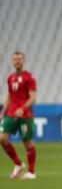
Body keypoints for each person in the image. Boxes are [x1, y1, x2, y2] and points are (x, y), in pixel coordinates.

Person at [0, 51, 37, 180]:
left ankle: (31, 172)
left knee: (27, 143)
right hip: (11, 113)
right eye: (15, 59)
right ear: (12, 61)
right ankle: (18, 163)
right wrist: (3, 112)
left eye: (20, 59)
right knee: (2, 138)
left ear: (23, 61)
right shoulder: (10, 78)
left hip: (25, 115)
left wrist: (23, 108)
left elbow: (33, 98)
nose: (17, 61)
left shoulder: (29, 77)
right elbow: (9, 96)